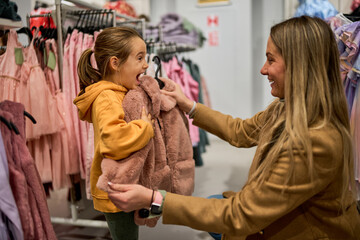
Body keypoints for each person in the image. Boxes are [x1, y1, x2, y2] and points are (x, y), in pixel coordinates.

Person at [105, 16, 360, 239]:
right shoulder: (285, 107)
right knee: (213, 204)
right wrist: (188, 104)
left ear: (300, 66)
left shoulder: (317, 141)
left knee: (216, 210)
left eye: (271, 60)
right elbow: (242, 131)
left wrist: (154, 199)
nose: (263, 69)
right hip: (268, 215)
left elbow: (240, 215)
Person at [73, 27, 154, 240]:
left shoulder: (121, 92)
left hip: (124, 183)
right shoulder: (107, 98)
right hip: (116, 189)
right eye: (139, 58)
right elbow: (114, 139)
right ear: (115, 63)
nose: (146, 64)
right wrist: (144, 127)